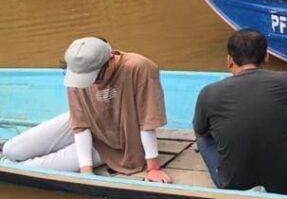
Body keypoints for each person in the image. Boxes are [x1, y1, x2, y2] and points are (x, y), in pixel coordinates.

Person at [1, 37, 172, 182]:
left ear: (110, 60)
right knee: (12, 150)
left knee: (30, 167)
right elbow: (79, 122)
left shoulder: (139, 67)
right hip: (87, 122)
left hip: (119, 140)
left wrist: (153, 167)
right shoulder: (76, 69)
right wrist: (86, 169)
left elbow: (147, 120)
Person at [192, 29, 287, 194]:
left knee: (203, 137)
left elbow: (200, 131)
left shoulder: (209, 93)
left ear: (229, 60)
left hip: (233, 184)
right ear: (267, 57)